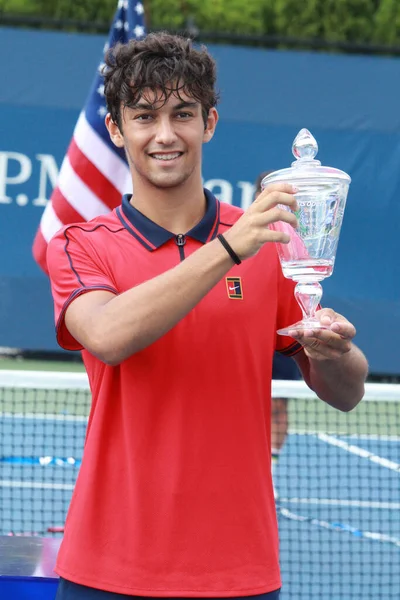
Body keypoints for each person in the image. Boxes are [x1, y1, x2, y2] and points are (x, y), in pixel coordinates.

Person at [47, 32, 368, 600]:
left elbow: (345, 392)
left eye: (183, 113)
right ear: (118, 130)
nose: (165, 134)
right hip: (106, 571)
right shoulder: (80, 245)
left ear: (209, 123)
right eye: (144, 116)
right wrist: (229, 249)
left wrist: (336, 351)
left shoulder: (269, 242)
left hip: (238, 575)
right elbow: (108, 335)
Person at [254, 172, 301, 499]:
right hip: (247, 330)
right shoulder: (242, 231)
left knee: (278, 404)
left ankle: (268, 472)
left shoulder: (295, 235)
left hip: (280, 332)